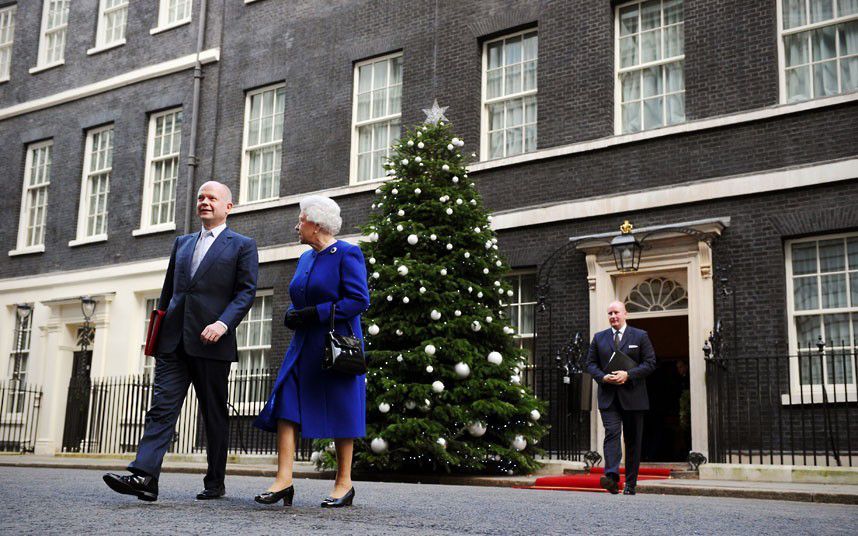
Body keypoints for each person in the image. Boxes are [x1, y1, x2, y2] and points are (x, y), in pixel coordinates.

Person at [103, 181, 258, 502]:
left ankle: (215, 481)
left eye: (212, 198)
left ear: (228, 206)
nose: (204, 202)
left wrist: (223, 323)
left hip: (212, 343)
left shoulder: (242, 245)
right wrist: (157, 336)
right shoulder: (182, 243)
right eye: (200, 197)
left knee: (213, 415)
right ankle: (145, 477)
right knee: (161, 409)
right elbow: (168, 293)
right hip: (173, 343)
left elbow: (245, 293)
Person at [253, 195, 369, 508]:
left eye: (301, 220)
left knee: (343, 407)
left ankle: (343, 483)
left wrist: (314, 313)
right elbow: (302, 295)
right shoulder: (305, 258)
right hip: (303, 344)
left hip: (336, 344)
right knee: (286, 402)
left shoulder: (348, 253)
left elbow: (359, 300)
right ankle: (283, 480)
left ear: (316, 225)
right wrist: (294, 312)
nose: (296, 226)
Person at [585, 300, 656, 495]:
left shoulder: (640, 336)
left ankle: (630, 484)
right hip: (609, 397)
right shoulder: (599, 338)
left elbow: (650, 363)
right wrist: (603, 377)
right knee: (612, 434)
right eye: (610, 313)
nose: (613, 316)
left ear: (625, 314)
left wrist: (628, 374)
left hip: (634, 397)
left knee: (633, 441)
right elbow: (590, 364)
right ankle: (612, 477)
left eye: (616, 312)